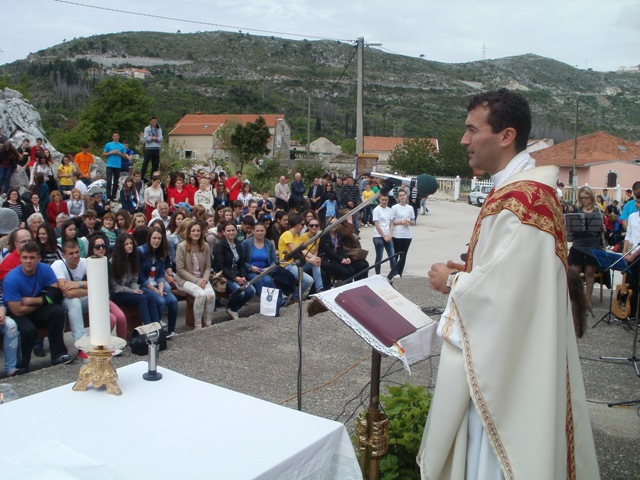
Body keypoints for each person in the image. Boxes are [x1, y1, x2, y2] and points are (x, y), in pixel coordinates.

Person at [418, 88, 598, 479]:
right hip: (508, 353)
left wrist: (453, 282)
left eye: (471, 130)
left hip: (507, 371)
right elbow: (511, 273)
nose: (464, 140)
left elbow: (509, 295)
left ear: (505, 135)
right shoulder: (516, 190)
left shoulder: (526, 198)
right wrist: (471, 268)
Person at [4, 242, 72, 370]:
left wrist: (32, 301)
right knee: (28, 330)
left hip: (33, 308)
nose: (28, 261)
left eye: (32, 257)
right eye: (25, 257)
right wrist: (43, 301)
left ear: (39, 258)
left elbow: (55, 296)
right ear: (20, 258)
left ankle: (58, 354)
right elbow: (17, 310)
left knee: (58, 311)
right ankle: (22, 366)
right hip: (18, 315)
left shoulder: (45, 269)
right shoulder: (11, 278)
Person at [51, 241, 90, 359]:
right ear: (63, 255)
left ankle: (103, 342)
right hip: (63, 301)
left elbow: (99, 284)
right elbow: (66, 292)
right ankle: (82, 346)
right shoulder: (58, 265)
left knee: (100, 297)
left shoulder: (85, 262)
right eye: (71, 253)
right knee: (74, 302)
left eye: (77, 252)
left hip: (79, 296)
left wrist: (77, 283)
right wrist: (89, 287)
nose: (75, 256)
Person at [568, 186, 604, 311]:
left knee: (590, 272)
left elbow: (601, 231)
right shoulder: (577, 210)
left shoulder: (597, 211)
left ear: (591, 197)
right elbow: (570, 229)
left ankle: (588, 299)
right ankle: (574, 298)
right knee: (575, 272)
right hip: (579, 243)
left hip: (592, 243)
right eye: (582, 198)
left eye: (586, 197)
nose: (584, 200)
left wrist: (602, 227)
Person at [109, 233, 157, 326]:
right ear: (120, 246)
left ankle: (157, 327)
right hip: (118, 294)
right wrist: (132, 291)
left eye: (131, 243)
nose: (130, 246)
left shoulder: (133, 259)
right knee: (142, 299)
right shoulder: (112, 263)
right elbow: (115, 287)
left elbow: (134, 280)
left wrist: (136, 289)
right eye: (126, 244)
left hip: (130, 290)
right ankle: (149, 329)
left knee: (151, 297)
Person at [138, 227, 178, 337]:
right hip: (144, 285)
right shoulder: (140, 251)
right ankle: (157, 328)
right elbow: (139, 276)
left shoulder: (162, 253)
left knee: (173, 301)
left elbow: (160, 273)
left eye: (159, 238)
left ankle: (171, 330)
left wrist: (160, 288)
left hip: (157, 284)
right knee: (160, 301)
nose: (156, 241)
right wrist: (155, 290)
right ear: (149, 238)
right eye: (154, 238)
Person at [175, 220, 215, 328]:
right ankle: (198, 325)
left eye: (198, 231)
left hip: (202, 278)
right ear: (189, 233)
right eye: (193, 231)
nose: (196, 233)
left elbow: (207, 266)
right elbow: (180, 269)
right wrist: (196, 281)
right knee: (201, 295)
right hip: (185, 280)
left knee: (211, 295)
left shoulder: (205, 246)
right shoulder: (181, 247)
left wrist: (205, 280)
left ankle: (208, 323)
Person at [241, 222, 287, 316]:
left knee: (268, 280)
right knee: (258, 280)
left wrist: (269, 268)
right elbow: (241, 261)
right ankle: (270, 304)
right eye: (257, 231)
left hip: (264, 270)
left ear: (265, 232)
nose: (259, 233)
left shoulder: (269, 244)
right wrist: (251, 267)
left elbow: (275, 261)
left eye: (261, 231)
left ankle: (274, 302)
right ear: (253, 231)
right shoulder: (246, 244)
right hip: (251, 271)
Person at [213, 221, 256, 320]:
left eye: (233, 230)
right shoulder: (219, 246)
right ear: (224, 232)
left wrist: (243, 276)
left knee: (251, 291)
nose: (231, 232)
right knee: (240, 292)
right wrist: (235, 278)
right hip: (225, 276)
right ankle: (230, 307)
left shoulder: (238, 243)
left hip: (238, 274)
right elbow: (221, 266)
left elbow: (241, 262)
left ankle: (233, 309)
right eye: (228, 231)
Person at [87, 233, 127, 339]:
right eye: (97, 247)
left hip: (106, 298)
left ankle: (120, 345)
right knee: (111, 319)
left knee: (121, 317)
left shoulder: (106, 262)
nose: (101, 249)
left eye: (103, 246)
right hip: (92, 300)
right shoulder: (87, 264)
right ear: (92, 248)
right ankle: (103, 343)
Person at [277, 214, 313, 301]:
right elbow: (295, 252)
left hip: (296, 263)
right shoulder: (287, 234)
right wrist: (309, 260)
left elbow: (302, 250)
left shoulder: (296, 236)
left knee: (316, 265)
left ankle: (319, 289)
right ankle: (295, 297)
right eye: (302, 224)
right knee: (309, 280)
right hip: (287, 264)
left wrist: (314, 258)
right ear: (297, 225)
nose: (303, 227)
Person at [390, 189, 414, 278]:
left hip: (407, 235)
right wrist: (401, 222)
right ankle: (394, 272)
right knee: (396, 254)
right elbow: (392, 221)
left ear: (406, 196)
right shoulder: (395, 207)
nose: (402, 197)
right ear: (398, 198)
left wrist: (409, 222)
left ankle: (400, 273)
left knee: (403, 256)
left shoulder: (410, 208)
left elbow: (413, 221)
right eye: (400, 195)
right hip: (397, 235)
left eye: (403, 195)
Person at [372, 193, 397, 275]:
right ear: (379, 200)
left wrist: (390, 234)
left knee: (392, 256)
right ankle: (377, 274)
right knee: (379, 257)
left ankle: (394, 273)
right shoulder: (376, 210)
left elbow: (391, 223)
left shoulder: (389, 210)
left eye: (386, 200)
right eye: (382, 200)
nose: (384, 201)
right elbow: (376, 224)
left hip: (388, 235)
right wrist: (384, 236)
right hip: (378, 236)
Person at [102, 131, 130, 201]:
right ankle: (108, 196)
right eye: (114, 136)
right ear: (112, 137)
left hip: (117, 165)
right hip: (109, 165)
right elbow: (104, 153)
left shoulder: (121, 146)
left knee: (116, 181)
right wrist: (111, 152)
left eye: (117, 136)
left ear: (118, 137)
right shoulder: (108, 144)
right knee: (109, 180)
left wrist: (119, 153)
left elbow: (125, 156)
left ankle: (113, 196)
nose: (115, 137)